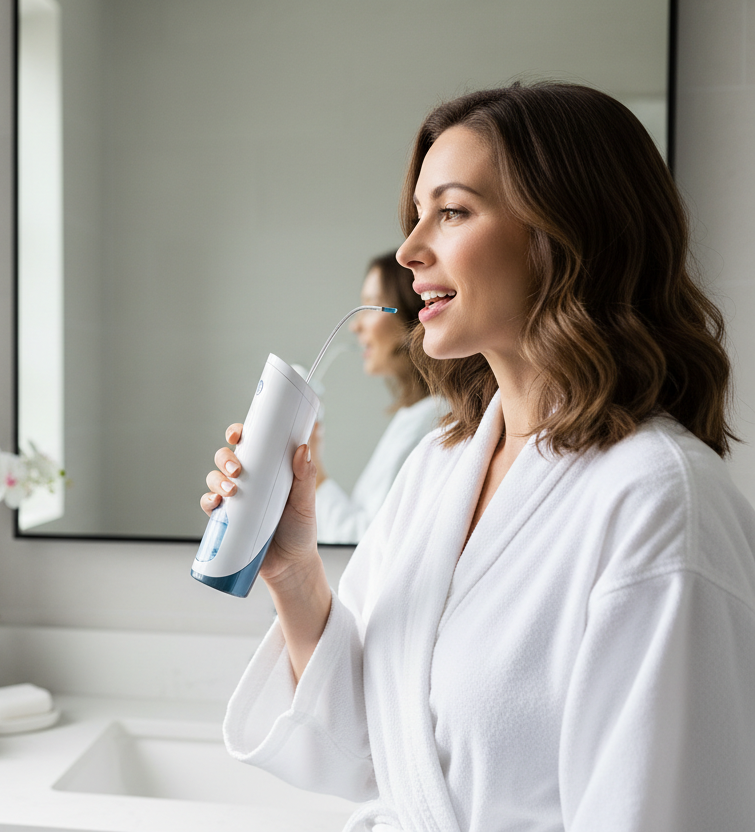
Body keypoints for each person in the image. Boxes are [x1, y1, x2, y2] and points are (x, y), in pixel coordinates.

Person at [200, 82, 755, 831]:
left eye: (453, 211)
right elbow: (369, 753)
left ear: (564, 232)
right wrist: (293, 572)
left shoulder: (659, 500)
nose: (409, 250)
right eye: (416, 214)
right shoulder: (441, 466)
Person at [310, 252, 444, 543]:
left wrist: (311, 469)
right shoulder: (418, 415)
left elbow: (364, 544)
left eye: (371, 306)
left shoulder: (434, 422)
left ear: (414, 312)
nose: (355, 326)